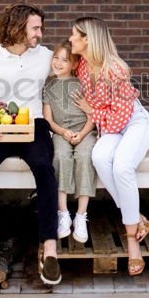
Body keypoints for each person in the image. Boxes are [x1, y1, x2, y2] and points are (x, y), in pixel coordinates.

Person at [0, 2, 62, 291]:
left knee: (45, 169)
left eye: (40, 28)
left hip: (34, 124)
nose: (40, 34)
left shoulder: (46, 57)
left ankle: (50, 248)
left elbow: (76, 69)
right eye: (35, 28)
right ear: (17, 27)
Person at [69, 17, 149, 276]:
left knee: (122, 167)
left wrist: (89, 109)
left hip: (134, 123)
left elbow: (119, 118)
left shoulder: (116, 70)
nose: (71, 39)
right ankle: (138, 218)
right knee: (99, 157)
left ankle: (132, 243)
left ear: (88, 39)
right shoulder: (83, 65)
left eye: (74, 35)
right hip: (107, 125)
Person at [43, 41, 97, 244]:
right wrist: (63, 132)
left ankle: (81, 215)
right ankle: (63, 212)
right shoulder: (49, 87)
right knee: (60, 156)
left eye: (64, 60)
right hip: (60, 133)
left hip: (85, 131)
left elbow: (93, 116)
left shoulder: (84, 84)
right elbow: (48, 120)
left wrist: (82, 134)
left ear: (74, 64)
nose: (58, 62)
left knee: (84, 156)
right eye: (56, 58)